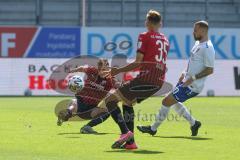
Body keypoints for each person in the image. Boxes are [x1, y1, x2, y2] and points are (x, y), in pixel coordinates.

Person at [98, 9, 169, 149]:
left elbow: (138, 62)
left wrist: (118, 70)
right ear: (159, 23)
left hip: (145, 80)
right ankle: (131, 143)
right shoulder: (165, 40)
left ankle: (125, 133)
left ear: (148, 22)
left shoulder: (145, 36)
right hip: (158, 82)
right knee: (127, 103)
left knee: (110, 100)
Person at [137, 20, 215, 136]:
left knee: (166, 101)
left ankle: (153, 129)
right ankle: (194, 123)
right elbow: (193, 62)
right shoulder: (198, 44)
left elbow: (210, 69)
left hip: (193, 86)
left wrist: (193, 78)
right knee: (172, 101)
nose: (193, 32)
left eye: (195, 30)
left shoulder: (208, 48)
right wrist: (184, 73)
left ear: (203, 31)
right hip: (186, 81)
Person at [57, 59, 131, 135]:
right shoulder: (92, 70)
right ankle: (66, 114)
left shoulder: (111, 80)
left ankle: (87, 127)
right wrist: (73, 70)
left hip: (91, 110)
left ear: (108, 68)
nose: (101, 72)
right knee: (73, 102)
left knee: (108, 111)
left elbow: (118, 85)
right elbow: (82, 68)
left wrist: (124, 86)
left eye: (103, 69)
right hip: (80, 102)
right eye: (99, 69)